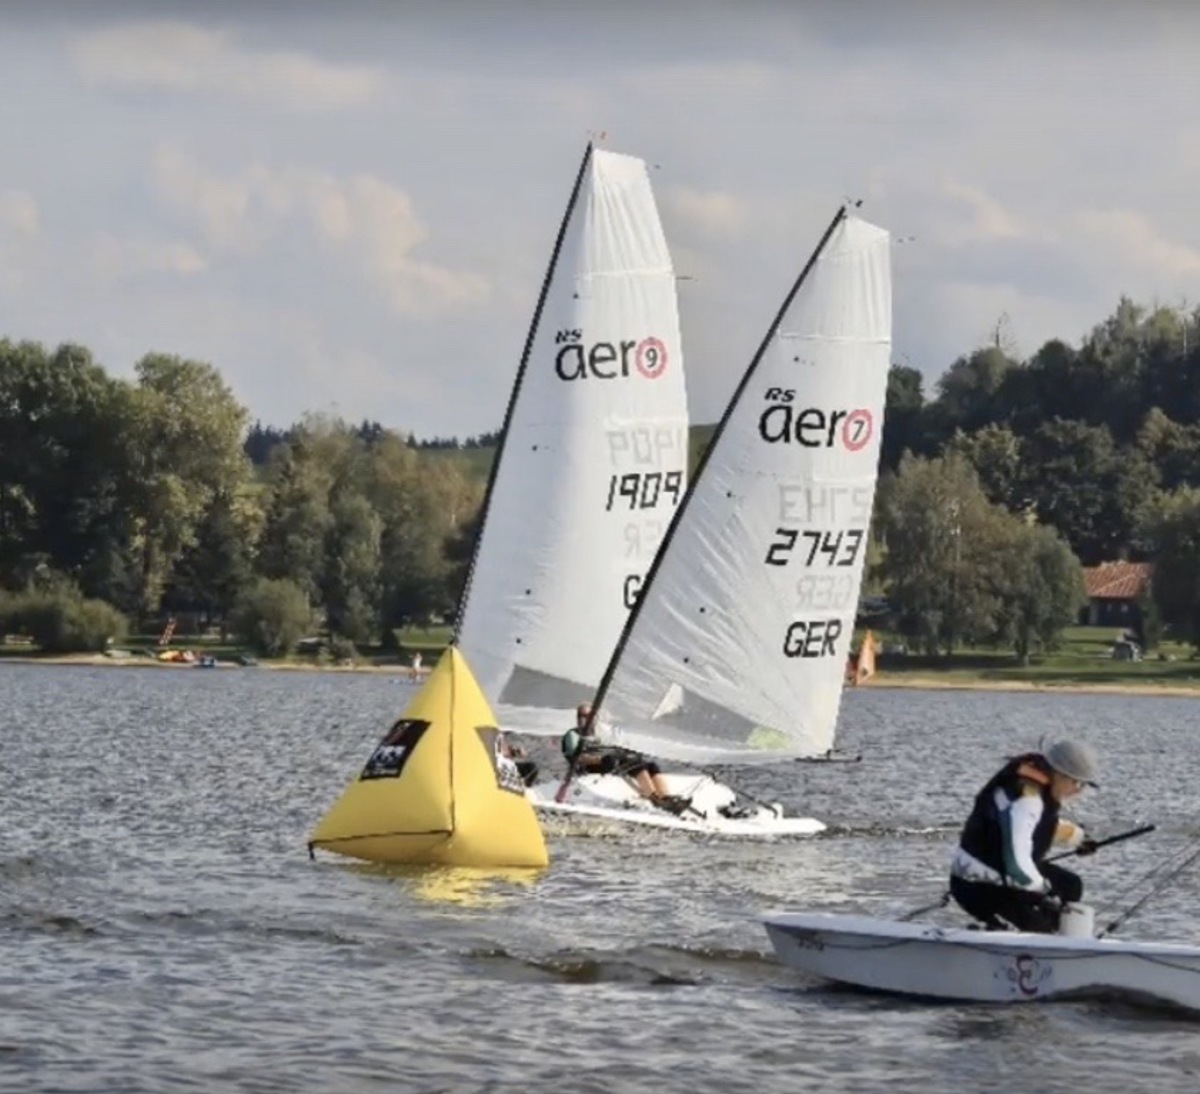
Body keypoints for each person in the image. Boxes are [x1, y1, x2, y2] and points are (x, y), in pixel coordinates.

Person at [949, 739, 1100, 933]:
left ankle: (1057, 937)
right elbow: (1015, 863)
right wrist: (1045, 891)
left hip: (1000, 873)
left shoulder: (1036, 788)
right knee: (1041, 927)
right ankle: (1040, 943)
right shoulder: (1027, 799)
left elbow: (1040, 826)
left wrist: (1079, 838)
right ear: (1060, 774)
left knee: (1070, 884)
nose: (1078, 790)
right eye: (1077, 782)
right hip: (979, 884)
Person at [561, 701, 688, 814]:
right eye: (582, 716)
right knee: (629, 764)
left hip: (608, 762)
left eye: (589, 716)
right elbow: (577, 758)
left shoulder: (599, 734)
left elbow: (614, 746)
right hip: (591, 767)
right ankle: (654, 799)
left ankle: (665, 797)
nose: (585, 719)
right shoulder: (572, 735)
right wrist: (600, 759)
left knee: (650, 765)